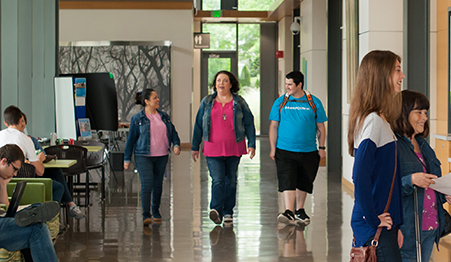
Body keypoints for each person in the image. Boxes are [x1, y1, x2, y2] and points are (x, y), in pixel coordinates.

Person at [349, 50, 410, 262]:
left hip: (381, 224)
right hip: (373, 224)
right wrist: (374, 220)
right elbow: (360, 175)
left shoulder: (376, 120)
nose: (401, 77)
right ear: (381, 76)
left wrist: (392, 221)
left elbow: (380, 178)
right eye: (397, 71)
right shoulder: (374, 121)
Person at [394, 90, 451, 262]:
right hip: (409, 228)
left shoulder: (422, 144)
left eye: (426, 112)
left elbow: (431, 180)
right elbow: (387, 187)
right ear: (403, 114)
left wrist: (445, 192)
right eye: (418, 112)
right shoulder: (394, 145)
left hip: (430, 228)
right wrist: (410, 180)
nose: (424, 118)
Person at [0, 106, 85, 220]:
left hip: (2, 176)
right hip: (24, 178)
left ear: (5, 123)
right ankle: (52, 218)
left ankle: (71, 205)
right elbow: (40, 172)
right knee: (58, 187)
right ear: (21, 120)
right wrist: (40, 159)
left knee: (55, 171)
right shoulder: (26, 139)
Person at [192, 71, 256, 226]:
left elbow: (249, 122)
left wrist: (252, 144)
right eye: (218, 80)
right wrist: (195, 146)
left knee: (231, 180)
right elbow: (199, 124)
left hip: (234, 147)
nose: (221, 83)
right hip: (212, 148)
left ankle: (228, 212)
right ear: (215, 84)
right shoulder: (207, 102)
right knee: (218, 180)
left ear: (231, 84)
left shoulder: (239, 102)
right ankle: (216, 209)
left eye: (225, 81)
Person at [269, 71, 329, 225]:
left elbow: (321, 126)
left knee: (304, 180)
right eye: (286, 84)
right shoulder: (280, 102)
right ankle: (288, 211)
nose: (287, 87)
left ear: (299, 84)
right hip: (284, 149)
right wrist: (272, 148)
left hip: (308, 150)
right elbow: (274, 126)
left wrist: (322, 147)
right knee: (287, 179)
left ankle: (300, 210)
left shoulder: (313, 102)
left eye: (290, 84)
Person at [123, 88, 183, 226]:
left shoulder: (164, 116)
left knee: (158, 185)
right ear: (147, 101)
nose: (158, 100)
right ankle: (146, 215)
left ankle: (156, 211)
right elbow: (131, 140)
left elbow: (173, 132)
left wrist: (176, 145)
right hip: (143, 156)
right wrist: (127, 159)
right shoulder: (137, 119)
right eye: (155, 98)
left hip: (161, 156)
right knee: (147, 183)